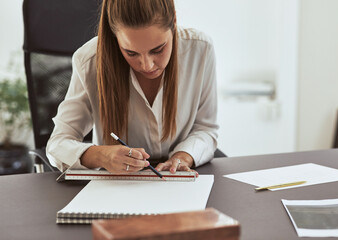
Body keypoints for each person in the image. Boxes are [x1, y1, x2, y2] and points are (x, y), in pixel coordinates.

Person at [46, 0, 218, 175]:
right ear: (114, 36)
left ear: (173, 20)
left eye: (158, 50)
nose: (147, 65)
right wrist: (101, 155)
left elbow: (205, 130)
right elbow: (57, 144)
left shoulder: (200, 50)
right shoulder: (89, 61)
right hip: (117, 187)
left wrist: (183, 156)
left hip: (180, 181)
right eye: (131, 53)